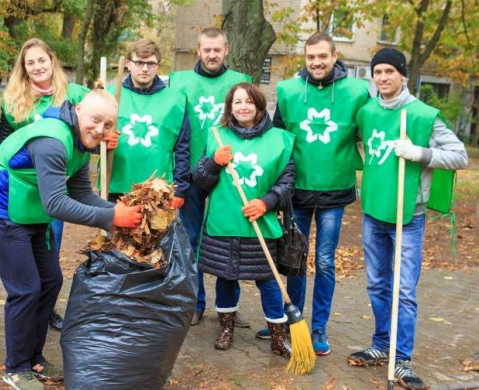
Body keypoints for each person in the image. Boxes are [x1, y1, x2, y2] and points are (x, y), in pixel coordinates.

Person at [0, 89, 143, 390]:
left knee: (50, 280)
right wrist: (113, 217)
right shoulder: (53, 141)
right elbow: (57, 205)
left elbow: (82, 194)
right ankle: (16, 367)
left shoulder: (78, 144)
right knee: (25, 289)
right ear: (77, 112)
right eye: (95, 120)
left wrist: (118, 210)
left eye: (108, 125)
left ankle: (33, 357)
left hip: (29, 208)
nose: (100, 130)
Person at [348, 48, 468, 390]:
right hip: (374, 212)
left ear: (402, 75)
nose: (383, 77)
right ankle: (381, 344)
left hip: (409, 216)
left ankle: (401, 359)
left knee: (403, 290)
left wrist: (419, 153)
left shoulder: (423, 115)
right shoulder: (367, 112)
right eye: (378, 72)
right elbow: (358, 141)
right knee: (376, 284)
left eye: (389, 71)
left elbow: (460, 155)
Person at [264, 32, 370, 354]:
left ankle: (319, 326)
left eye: (323, 56)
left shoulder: (357, 92)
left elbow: (373, 133)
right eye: (311, 57)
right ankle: (290, 320)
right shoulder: (288, 91)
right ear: (305, 58)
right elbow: (277, 142)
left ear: (335, 56)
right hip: (296, 191)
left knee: (324, 261)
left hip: (334, 193)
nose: (317, 62)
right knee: (294, 259)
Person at [0, 38, 89, 331]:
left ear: (52, 60)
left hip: (56, 187)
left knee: (51, 248)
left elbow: (95, 126)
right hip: (25, 189)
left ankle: (46, 309)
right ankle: (27, 304)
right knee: (27, 250)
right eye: (30, 63)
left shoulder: (74, 94)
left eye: (41, 60)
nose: (37, 67)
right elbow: (3, 145)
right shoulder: (13, 101)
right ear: (23, 68)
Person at [195, 82, 295, 356]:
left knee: (269, 280)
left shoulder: (280, 140)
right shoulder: (216, 136)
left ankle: (277, 335)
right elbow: (200, 180)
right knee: (226, 278)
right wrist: (213, 161)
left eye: (248, 101)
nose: (243, 107)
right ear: (230, 107)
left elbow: (287, 183)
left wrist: (266, 202)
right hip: (224, 223)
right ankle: (226, 328)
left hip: (259, 225)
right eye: (237, 102)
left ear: (260, 105)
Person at [169, 26, 252, 327]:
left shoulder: (241, 82)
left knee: (228, 240)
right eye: (207, 49)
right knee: (191, 238)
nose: (212, 54)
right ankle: (195, 302)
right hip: (191, 174)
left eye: (218, 49)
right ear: (199, 50)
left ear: (226, 50)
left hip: (228, 176)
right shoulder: (180, 82)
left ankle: (227, 307)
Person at [104, 38, 189, 210]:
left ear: (158, 65)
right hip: (116, 184)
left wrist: (180, 188)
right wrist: (103, 142)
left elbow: (182, 148)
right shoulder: (110, 95)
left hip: (158, 188)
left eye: (150, 63)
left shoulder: (175, 101)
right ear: (128, 64)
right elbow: (90, 135)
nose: (144, 68)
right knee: (114, 237)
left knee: (154, 236)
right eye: (139, 62)